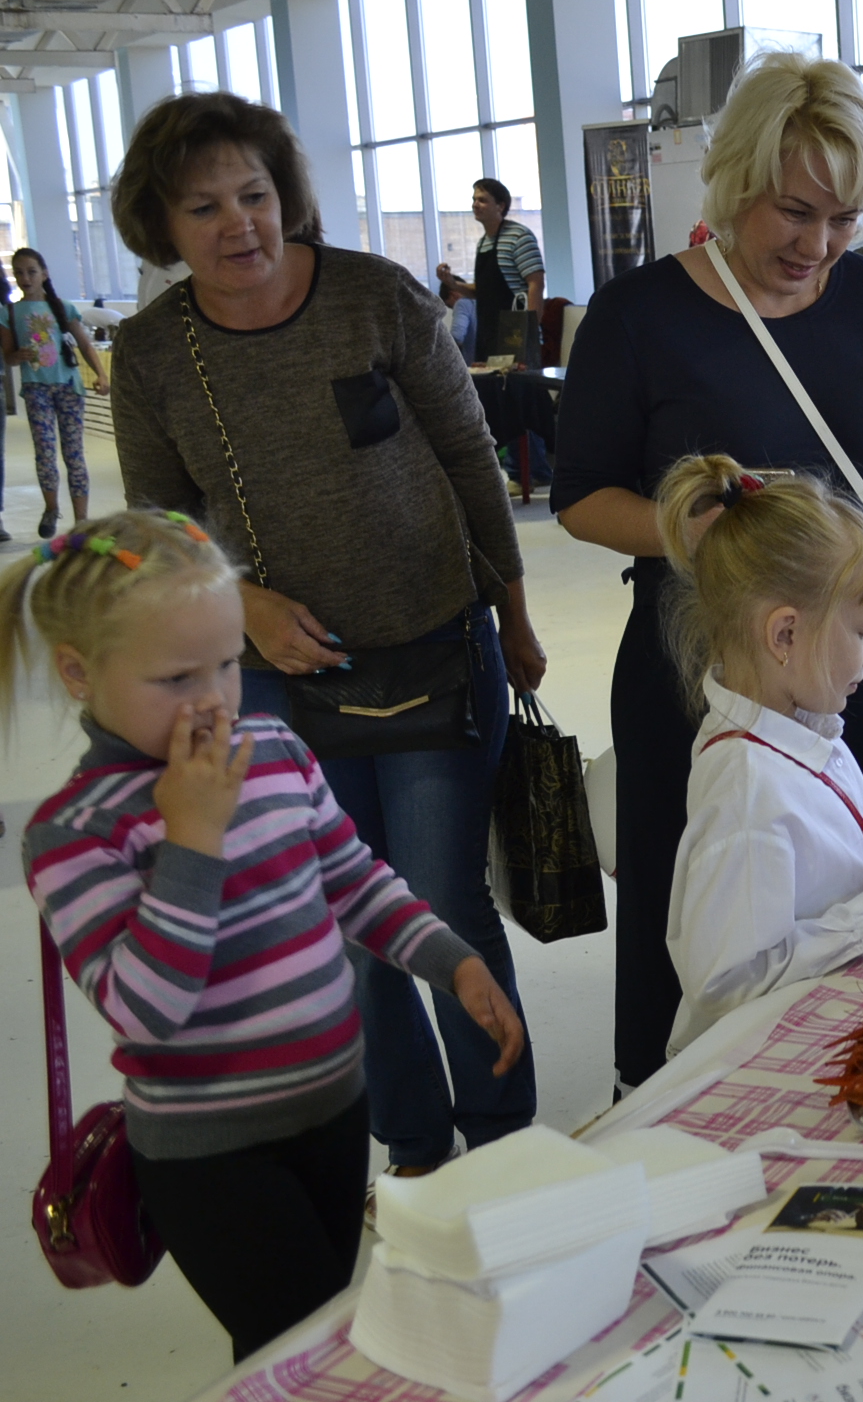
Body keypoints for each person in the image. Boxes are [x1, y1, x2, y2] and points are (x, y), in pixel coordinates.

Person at [106, 91, 548, 1178]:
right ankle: (413, 1145)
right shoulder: (154, 354)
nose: (238, 224)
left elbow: (469, 457)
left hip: (435, 645)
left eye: (254, 195)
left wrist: (513, 609)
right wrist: (245, 605)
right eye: (204, 207)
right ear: (161, 226)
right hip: (277, 679)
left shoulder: (374, 297)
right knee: (342, 918)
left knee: (442, 901)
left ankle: (502, 1146)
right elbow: (161, 529)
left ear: (285, 195)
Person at [553, 52, 863, 1090]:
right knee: (725, 928)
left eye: (846, 219)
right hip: (713, 675)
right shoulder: (640, 317)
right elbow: (580, 498)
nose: (818, 246)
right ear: (735, 178)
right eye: (794, 212)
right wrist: (693, 533)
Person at [9, 509, 525, 1361]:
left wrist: (452, 961)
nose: (213, 699)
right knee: (297, 1343)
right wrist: (192, 838)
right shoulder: (74, 833)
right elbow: (147, 1009)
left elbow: (354, 881)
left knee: (322, 1320)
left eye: (226, 663)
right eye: (176, 677)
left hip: (332, 1108)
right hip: (211, 1153)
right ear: (78, 673)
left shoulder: (277, 749)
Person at [654, 458, 863, 1057]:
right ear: (784, 635)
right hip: (755, 1066)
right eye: (861, 632)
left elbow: (834, 860)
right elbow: (727, 986)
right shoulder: (746, 788)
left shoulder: (804, 731)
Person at [3, 247, 107, 537]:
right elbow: (8, 356)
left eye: (31, 272)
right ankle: (51, 508)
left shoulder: (63, 308)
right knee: (45, 452)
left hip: (69, 388)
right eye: (19, 273)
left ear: (44, 274)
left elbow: (84, 344)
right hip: (36, 389)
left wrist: (100, 373)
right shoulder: (8, 312)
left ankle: (81, 521)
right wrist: (17, 356)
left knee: (74, 454)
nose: (26, 278)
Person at [437, 177, 544, 359]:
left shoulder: (519, 237)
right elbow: (483, 291)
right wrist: (452, 283)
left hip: (515, 335)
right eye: (474, 200)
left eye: (482, 200)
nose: (475, 205)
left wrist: (529, 332)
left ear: (500, 206)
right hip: (488, 334)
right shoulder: (483, 243)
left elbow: (536, 284)